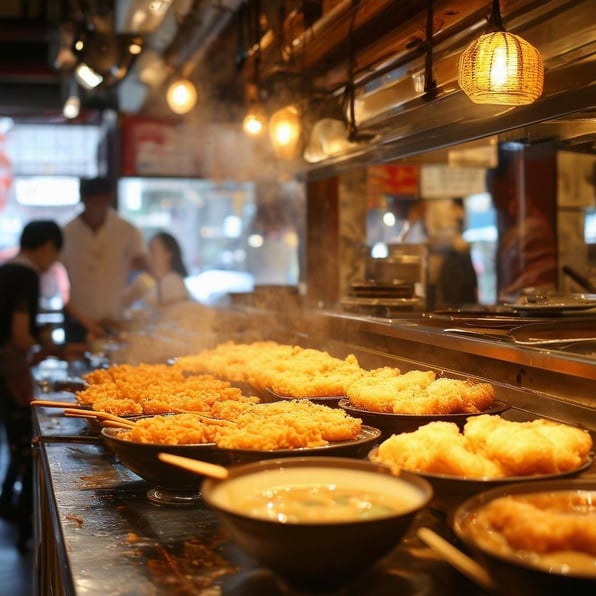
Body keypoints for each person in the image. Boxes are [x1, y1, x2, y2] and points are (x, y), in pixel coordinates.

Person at [0, 220, 79, 551]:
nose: (54, 261)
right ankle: (25, 522)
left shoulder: (6, 270)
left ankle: (10, 506)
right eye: (55, 252)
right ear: (47, 246)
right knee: (25, 445)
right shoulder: (26, 276)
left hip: (4, 369)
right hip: (11, 370)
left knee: (15, 443)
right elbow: (19, 336)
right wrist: (48, 346)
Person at [61, 177, 148, 342]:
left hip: (114, 319)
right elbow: (58, 280)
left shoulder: (126, 230)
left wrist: (129, 301)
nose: (97, 207)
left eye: (101, 202)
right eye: (92, 202)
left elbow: (142, 266)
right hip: (78, 319)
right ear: (83, 200)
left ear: (110, 198)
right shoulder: (67, 232)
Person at [124, 232, 191, 308]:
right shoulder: (146, 280)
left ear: (168, 254)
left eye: (153, 250)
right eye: (149, 250)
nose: (149, 255)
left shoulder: (172, 280)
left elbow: (175, 314)